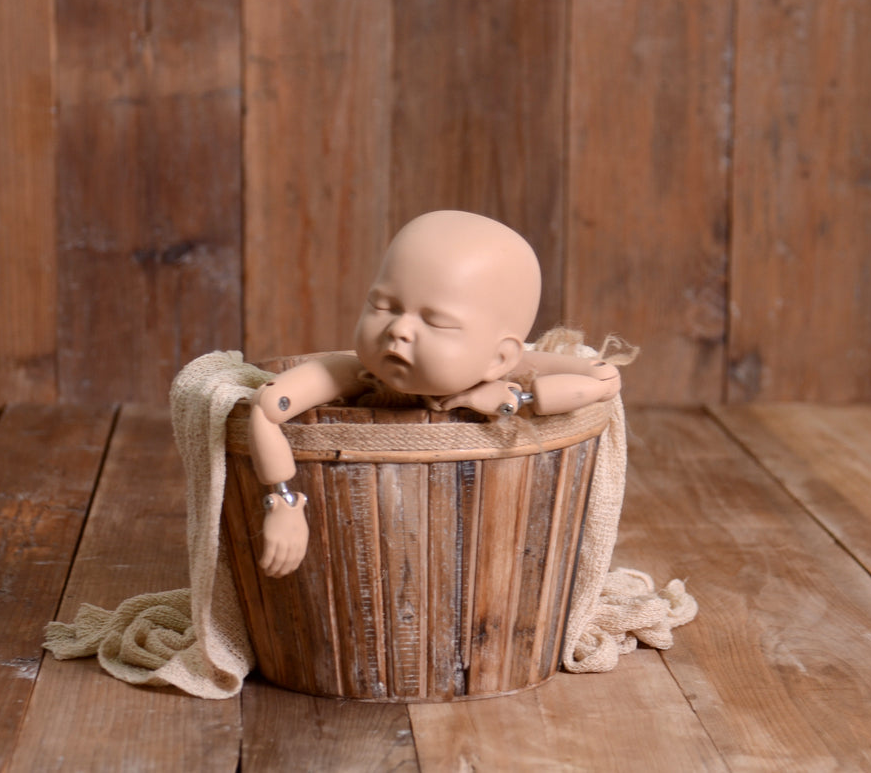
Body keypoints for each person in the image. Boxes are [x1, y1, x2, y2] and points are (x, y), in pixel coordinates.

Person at [249, 210, 623, 577]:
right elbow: (268, 407)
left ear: (500, 357)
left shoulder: (511, 366)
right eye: (384, 306)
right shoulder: (356, 373)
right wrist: (283, 501)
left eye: (436, 322)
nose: (399, 330)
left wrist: (521, 398)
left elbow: (604, 378)